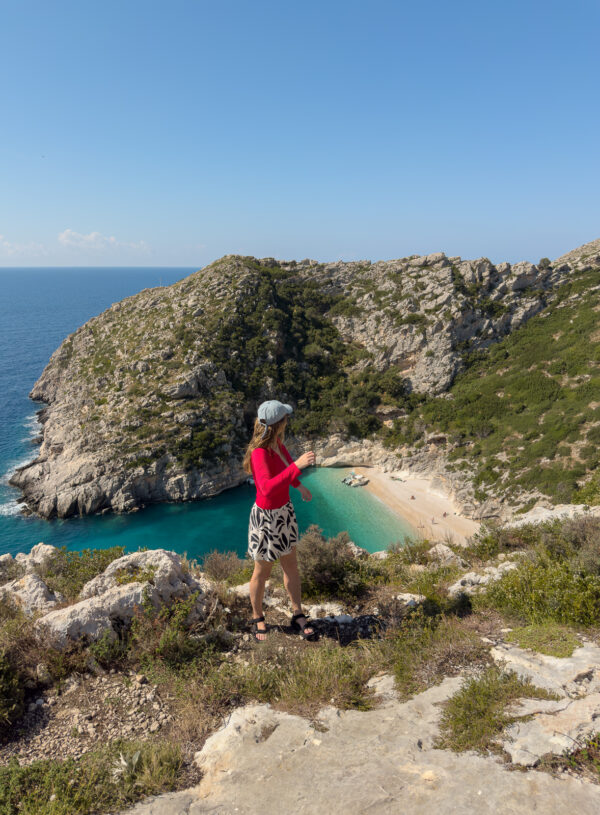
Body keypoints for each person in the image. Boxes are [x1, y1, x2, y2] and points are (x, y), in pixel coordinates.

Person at [242, 399, 318, 642]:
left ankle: (297, 613)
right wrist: (297, 466)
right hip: (266, 519)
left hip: (284, 513)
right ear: (279, 423)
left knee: (291, 567)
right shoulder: (259, 453)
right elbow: (266, 489)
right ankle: (257, 616)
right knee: (261, 573)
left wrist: (300, 486)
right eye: (286, 417)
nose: (288, 420)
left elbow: (286, 471)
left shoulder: (277, 445)